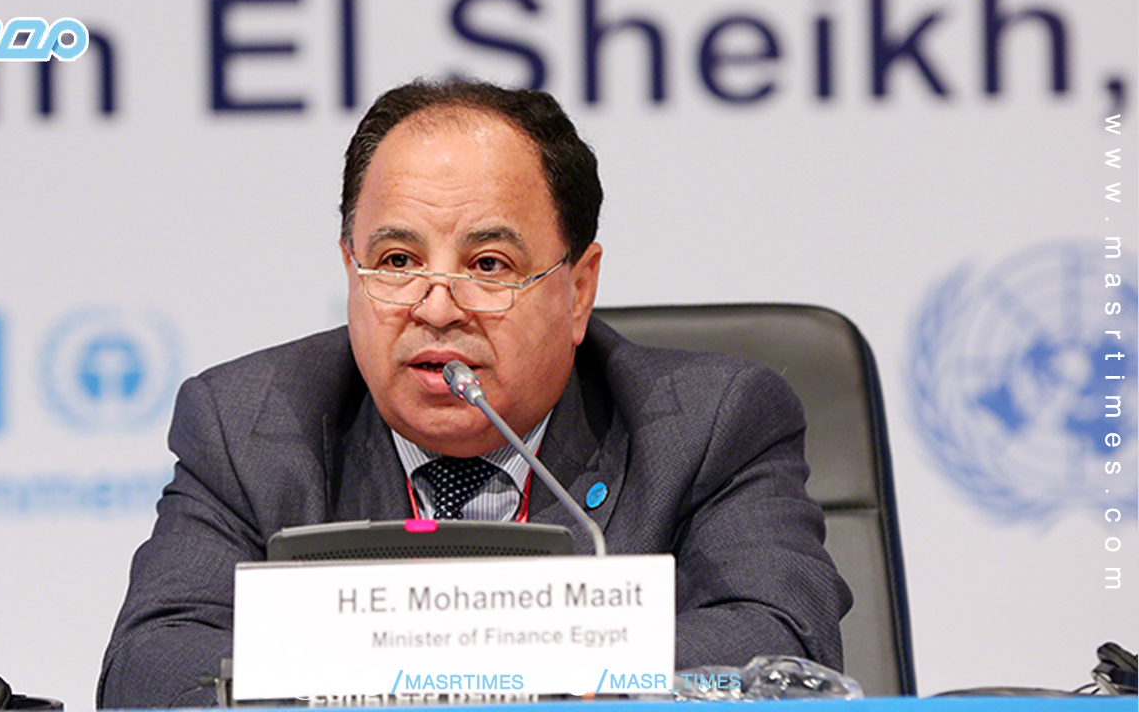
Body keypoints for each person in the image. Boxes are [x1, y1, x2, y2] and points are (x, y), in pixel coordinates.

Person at [97, 79, 852, 709]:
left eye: (488, 265)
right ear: (351, 270)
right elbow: (150, 669)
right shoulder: (249, 425)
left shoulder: (711, 425)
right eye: (397, 260)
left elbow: (778, 646)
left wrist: (463, 661)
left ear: (578, 290)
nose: (436, 306)